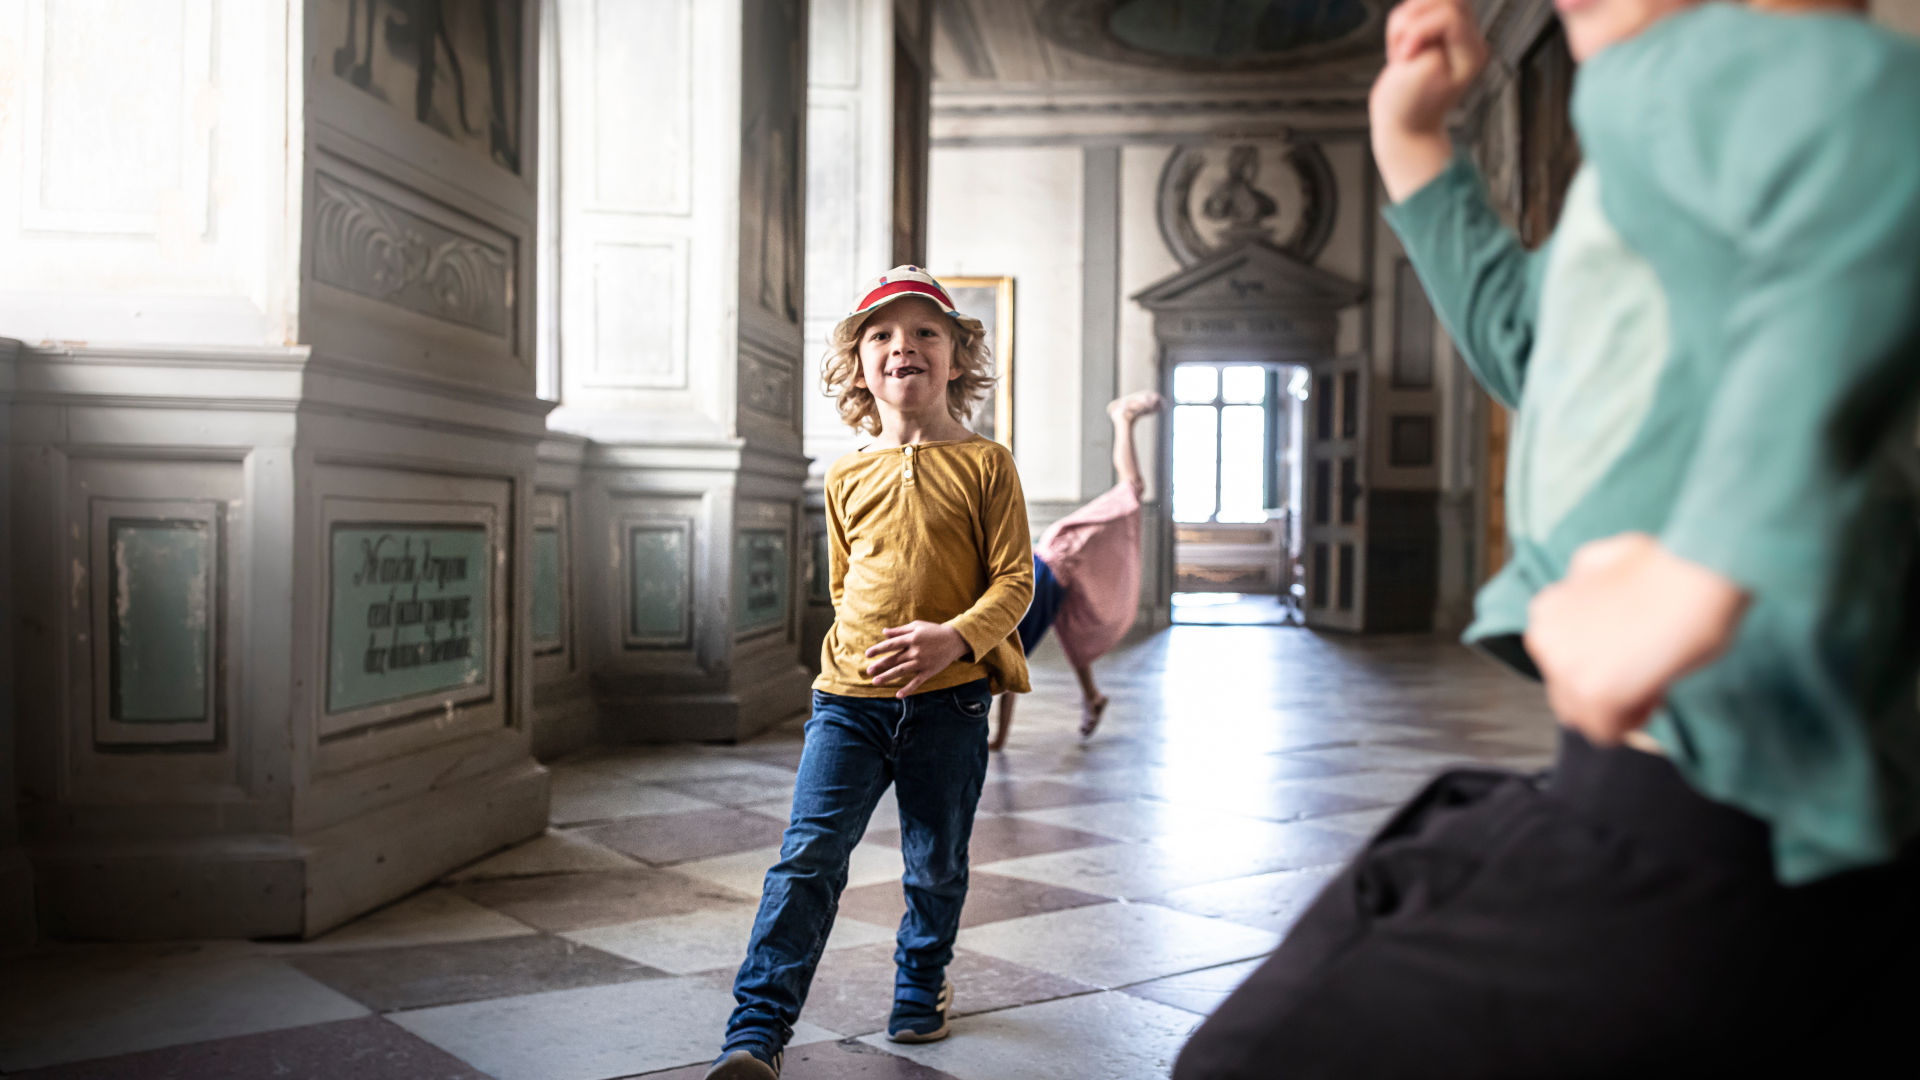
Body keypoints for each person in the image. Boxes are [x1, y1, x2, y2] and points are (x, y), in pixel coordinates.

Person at [1175, 0, 1920, 1075]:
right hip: (1686, 790)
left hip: (1731, 801)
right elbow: (1542, 345)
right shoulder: (1658, 133)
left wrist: (1705, 563)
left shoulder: (1729, 58)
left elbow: (1886, 127)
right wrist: (1414, 141)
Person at [705, 267, 1033, 1080]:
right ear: (859, 365)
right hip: (848, 701)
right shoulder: (844, 474)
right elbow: (845, 582)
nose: (903, 347)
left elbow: (1015, 582)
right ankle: (756, 1033)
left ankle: (921, 987)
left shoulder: (988, 464)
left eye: (926, 332)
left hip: (949, 704)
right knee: (807, 857)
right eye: (882, 336)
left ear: (957, 357)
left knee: (936, 859)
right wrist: (866, 654)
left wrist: (954, 640)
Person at [992, 389, 1163, 751]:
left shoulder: (1027, 599)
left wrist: (998, 740)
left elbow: (1010, 671)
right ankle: (1092, 698)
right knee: (1068, 641)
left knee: (1132, 491)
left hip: (1062, 556)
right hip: (1059, 561)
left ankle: (1123, 418)